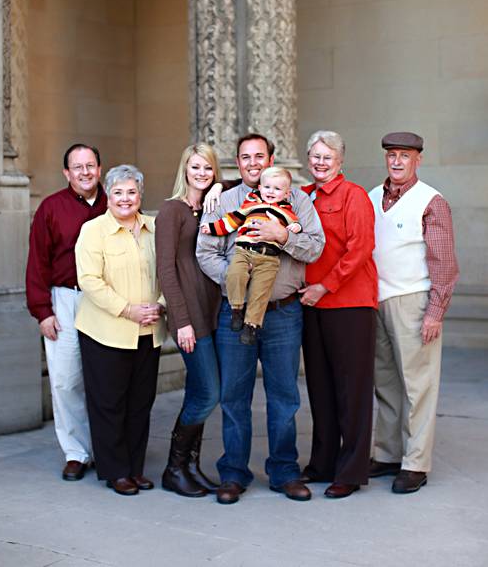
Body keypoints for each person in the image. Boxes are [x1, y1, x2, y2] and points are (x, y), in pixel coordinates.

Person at [197, 133, 324, 504]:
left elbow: (315, 246)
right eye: (245, 157)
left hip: (284, 313)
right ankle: (234, 473)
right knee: (234, 395)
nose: (252, 162)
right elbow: (206, 252)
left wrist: (283, 235)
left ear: (271, 158)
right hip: (234, 313)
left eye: (259, 156)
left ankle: (284, 471)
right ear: (237, 163)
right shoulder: (224, 200)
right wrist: (239, 284)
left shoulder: (297, 198)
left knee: (284, 395)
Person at [368, 132, 459, 494]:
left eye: (404, 155)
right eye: (391, 155)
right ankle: (388, 453)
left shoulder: (430, 201)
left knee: (418, 386)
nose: (396, 161)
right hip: (376, 301)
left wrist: (435, 311)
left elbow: (444, 263)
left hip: (413, 300)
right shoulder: (374, 197)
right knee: (386, 382)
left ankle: (415, 463)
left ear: (418, 159)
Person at [75, 164, 166, 496]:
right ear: (108, 195)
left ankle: (135, 467)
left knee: (140, 401)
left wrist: (159, 303)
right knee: (109, 402)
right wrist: (128, 310)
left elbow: (170, 272)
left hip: (149, 330)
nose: (125, 198)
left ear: (140, 195)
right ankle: (115, 471)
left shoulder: (156, 228)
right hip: (106, 331)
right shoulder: (93, 230)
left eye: (132, 191)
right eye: (118, 192)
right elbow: (89, 281)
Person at [299, 131, 378, 499]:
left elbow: (360, 249)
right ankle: (322, 463)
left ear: (341, 160)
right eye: (315, 155)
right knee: (320, 387)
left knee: (352, 391)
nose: (320, 162)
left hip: (349, 305)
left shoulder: (354, 196)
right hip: (312, 306)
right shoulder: (303, 196)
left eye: (327, 156)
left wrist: (324, 286)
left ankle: (351, 470)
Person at [26, 143, 106, 481]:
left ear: (100, 169)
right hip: (65, 299)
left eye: (90, 166)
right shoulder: (50, 208)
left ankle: (108, 450)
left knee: (106, 380)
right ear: (66, 173)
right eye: (77, 167)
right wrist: (43, 310)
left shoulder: (114, 202)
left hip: (107, 300)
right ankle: (77, 452)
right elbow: (37, 263)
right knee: (65, 379)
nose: (85, 172)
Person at [155, 143, 224, 498]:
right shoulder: (172, 211)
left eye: (208, 168)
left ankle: (190, 467)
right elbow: (166, 270)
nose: (201, 173)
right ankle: (173, 467)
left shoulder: (211, 206)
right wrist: (180, 321)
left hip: (213, 312)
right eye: (195, 167)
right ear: (185, 169)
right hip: (189, 318)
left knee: (202, 390)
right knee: (208, 392)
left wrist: (216, 190)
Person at [201, 167, 301, 345]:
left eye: (277, 189)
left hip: (268, 258)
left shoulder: (287, 211)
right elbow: (232, 221)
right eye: (267, 187)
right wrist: (212, 228)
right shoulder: (251, 205)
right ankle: (237, 309)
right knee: (234, 274)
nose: (271, 192)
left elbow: (294, 226)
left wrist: (294, 228)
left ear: (287, 193)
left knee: (259, 293)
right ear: (260, 188)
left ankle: (251, 326)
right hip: (244, 252)